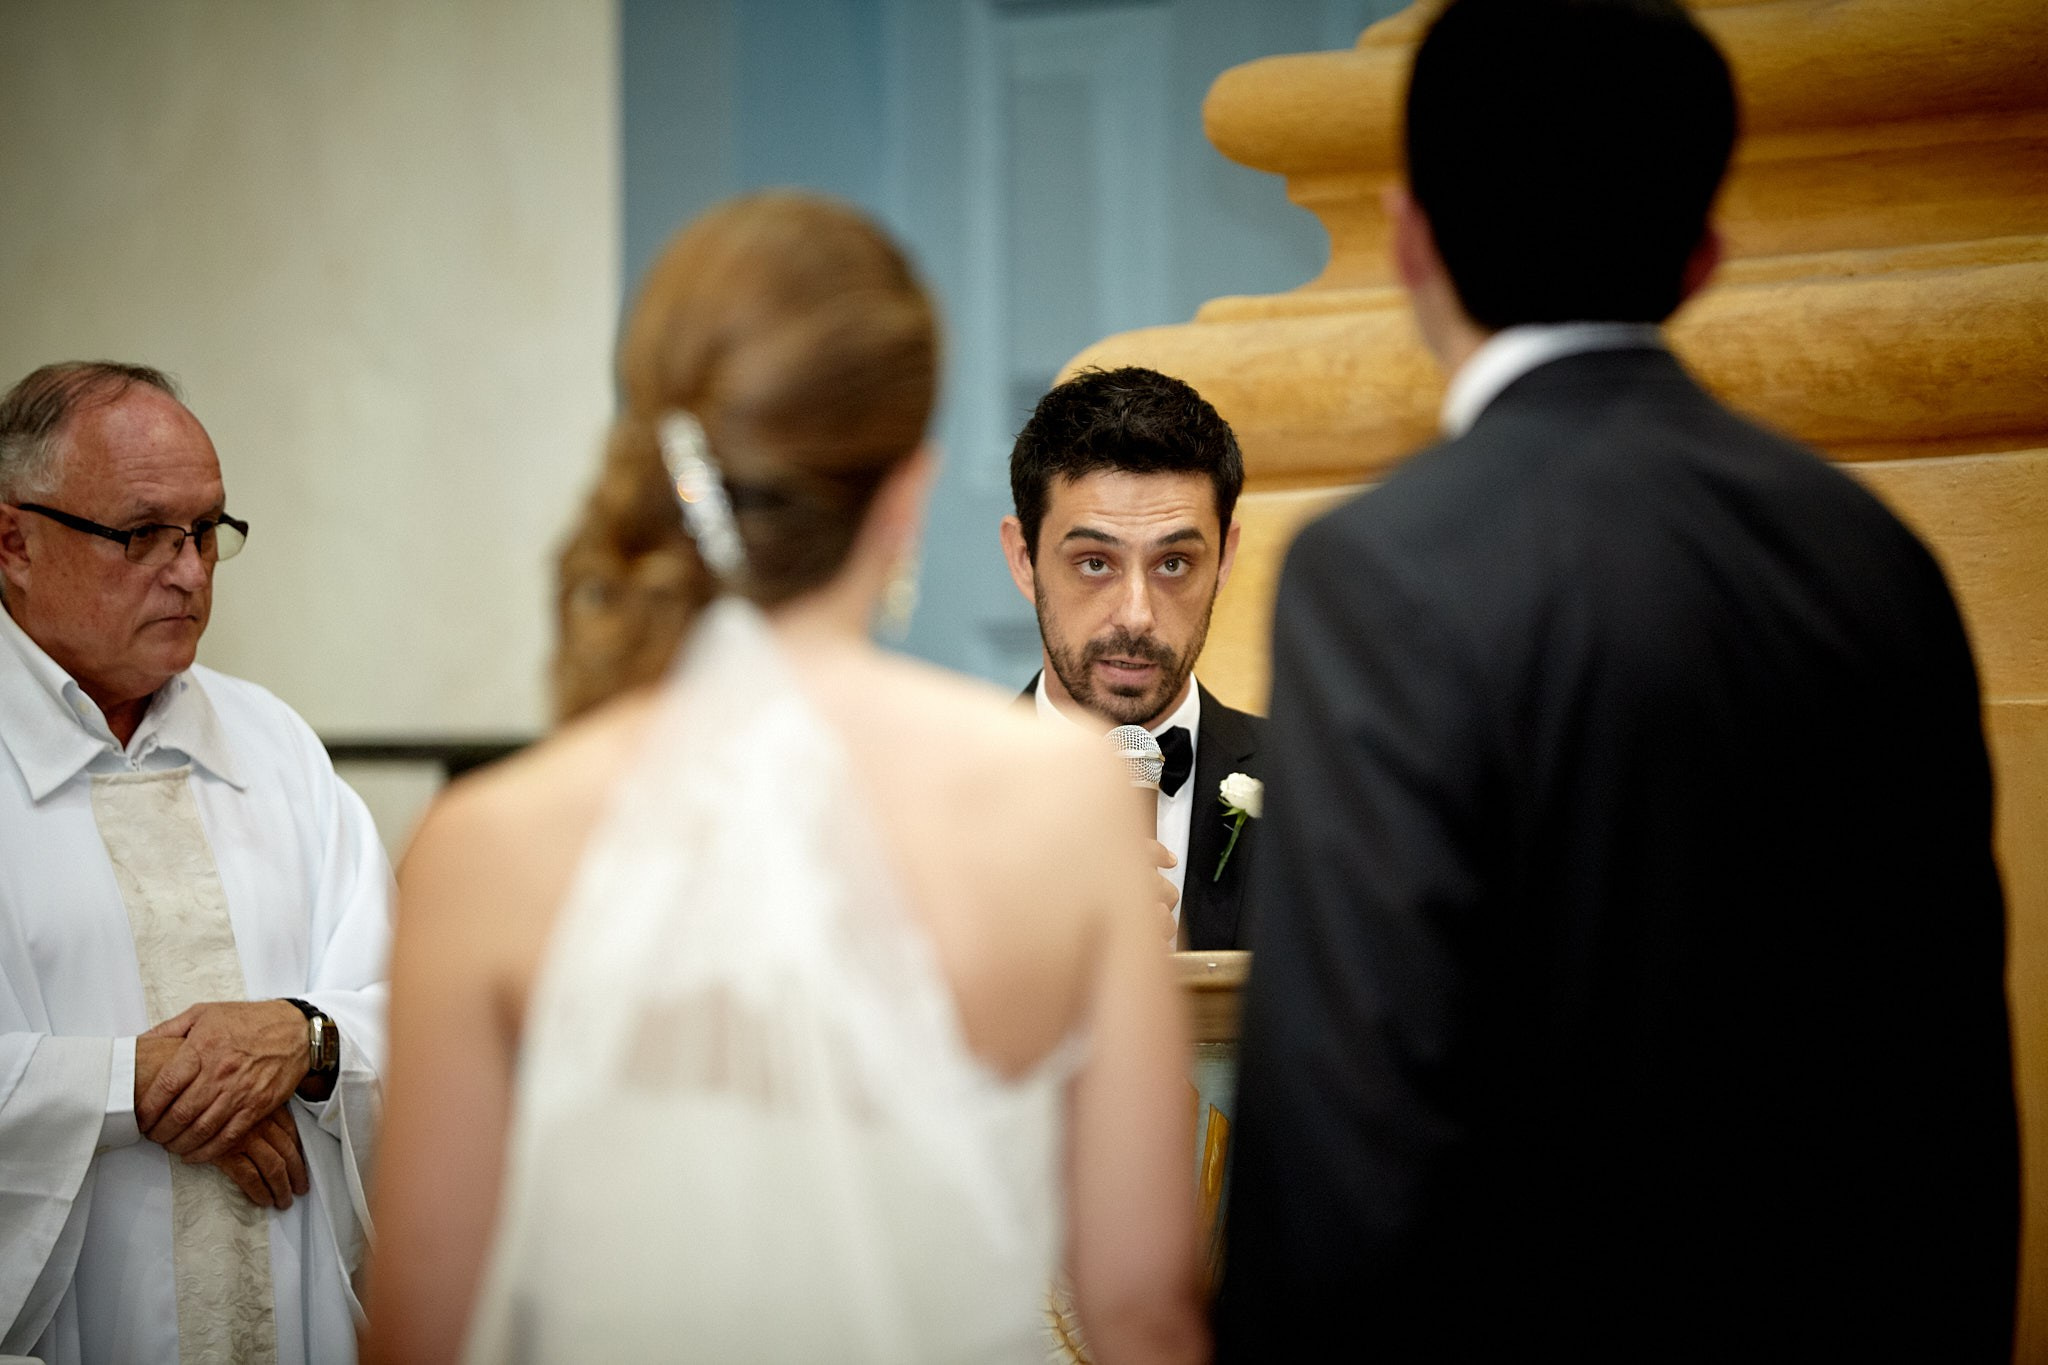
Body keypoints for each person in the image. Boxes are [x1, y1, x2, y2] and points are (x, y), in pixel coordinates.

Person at [1215, 1, 2020, 1359]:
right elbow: (1950, 1091)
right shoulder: (1873, 555)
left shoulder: (1384, 567)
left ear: (1411, 236)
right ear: (1702, 253)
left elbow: (1346, 1119)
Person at [362, 193, 1206, 1365]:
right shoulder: (1061, 807)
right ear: (909, 493)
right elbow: (1143, 1310)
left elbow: (415, 1330)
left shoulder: (480, 845)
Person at [0, 362, 391, 1364]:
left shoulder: (275, 746)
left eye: (207, 531)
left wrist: (301, 1043)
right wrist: (135, 1088)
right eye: (142, 535)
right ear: (13, 539)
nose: (189, 572)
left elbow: (399, 1001)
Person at [1001, 367, 1264, 950]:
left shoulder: (1319, 787)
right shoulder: (935, 801)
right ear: (1024, 558)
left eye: (1173, 563)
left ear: (1223, 560)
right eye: (1095, 562)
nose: (1137, 616)